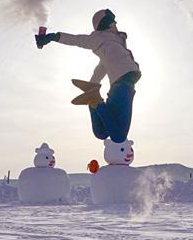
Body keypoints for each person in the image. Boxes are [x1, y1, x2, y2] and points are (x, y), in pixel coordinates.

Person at [35, 9, 141, 144]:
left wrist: (92, 84)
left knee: (101, 132)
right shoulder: (99, 38)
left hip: (119, 86)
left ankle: (93, 102)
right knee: (119, 136)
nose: (116, 23)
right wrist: (54, 37)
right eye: (113, 21)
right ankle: (95, 100)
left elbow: (101, 68)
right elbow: (77, 40)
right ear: (107, 24)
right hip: (124, 85)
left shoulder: (114, 43)